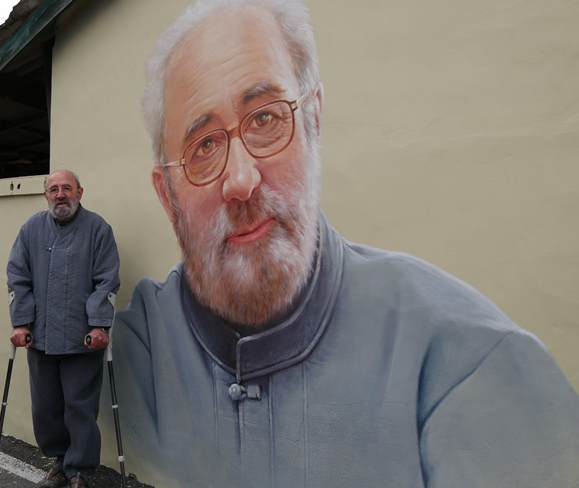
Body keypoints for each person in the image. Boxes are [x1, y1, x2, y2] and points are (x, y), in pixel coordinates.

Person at [113, 1, 579, 487]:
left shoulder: (472, 371)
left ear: (313, 120)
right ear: (167, 196)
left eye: (266, 119)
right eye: (203, 147)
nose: (242, 179)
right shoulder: (138, 353)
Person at [7, 169, 120, 488]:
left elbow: (107, 279)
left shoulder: (98, 229)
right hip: (40, 338)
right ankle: (60, 462)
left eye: (66, 188)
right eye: (54, 189)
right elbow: (18, 276)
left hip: (82, 340)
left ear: (79, 193)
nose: (60, 194)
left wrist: (99, 324)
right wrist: (20, 322)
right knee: (46, 409)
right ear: (46, 195)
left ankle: (80, 471)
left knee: (80, 409)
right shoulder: (31, 229)